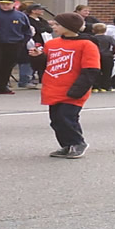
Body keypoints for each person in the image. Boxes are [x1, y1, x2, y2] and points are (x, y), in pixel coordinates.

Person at [40, 12, 99, 159]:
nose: (53, 27)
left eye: (57, 24)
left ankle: (77, 143)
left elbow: (91, 70)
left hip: (73, 89)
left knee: (66, 117)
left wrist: (78, 90)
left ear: (69, 26)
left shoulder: (86, 45)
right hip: (54, 88)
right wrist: (37, 57)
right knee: (56, 120)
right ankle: (66, 145)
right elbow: (44, 65)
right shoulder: (51, 44)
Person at [0, 0, 31, 95]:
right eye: (3, 4)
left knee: (7, 66)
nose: (5, 6)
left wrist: (22, 43)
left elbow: (27, 31)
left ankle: (2, 86)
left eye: (8, 4)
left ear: (13, 4)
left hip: (14, 44)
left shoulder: (20, 16)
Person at [90, 23, 115, 91]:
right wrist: (112, 53)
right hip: (107, 56)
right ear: (105, 30)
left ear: (93, 30)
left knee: (96, 71)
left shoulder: (92, 38)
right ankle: (106, 86)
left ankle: (95, 87)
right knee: (107, 72)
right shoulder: (109, 38)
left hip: (96, 56)